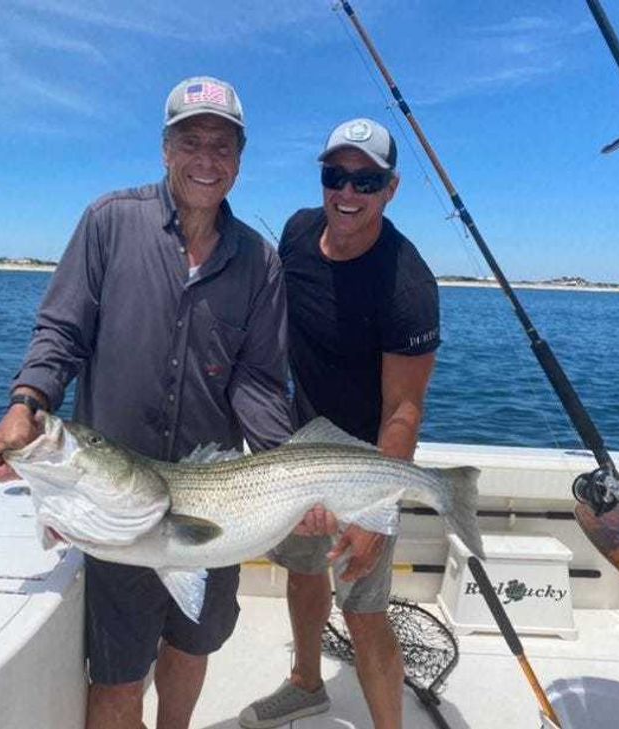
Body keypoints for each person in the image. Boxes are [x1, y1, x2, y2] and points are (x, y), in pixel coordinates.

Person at [0, 76, 293, 729]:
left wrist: (287, 472)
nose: (206, 159)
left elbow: (260, 382)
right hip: (113, 499)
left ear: (239, 158)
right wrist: (26, 402)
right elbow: (61, 331)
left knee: (193, 642)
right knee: (117, 675)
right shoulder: (108, 222)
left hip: (216, 497)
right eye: (191, 141)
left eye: (222, 146)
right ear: (165, 148)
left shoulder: (260, 262)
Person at [239, 118, 441, 729]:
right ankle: (306, 682)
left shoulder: (407, 284)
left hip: (365, 460)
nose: (347, 194)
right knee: (303, 573)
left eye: (366, 180)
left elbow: (404, 409)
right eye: (336, 176)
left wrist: (376, 507)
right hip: (297, 450)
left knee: (363, 608)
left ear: (391, 188)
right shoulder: (299, 231)